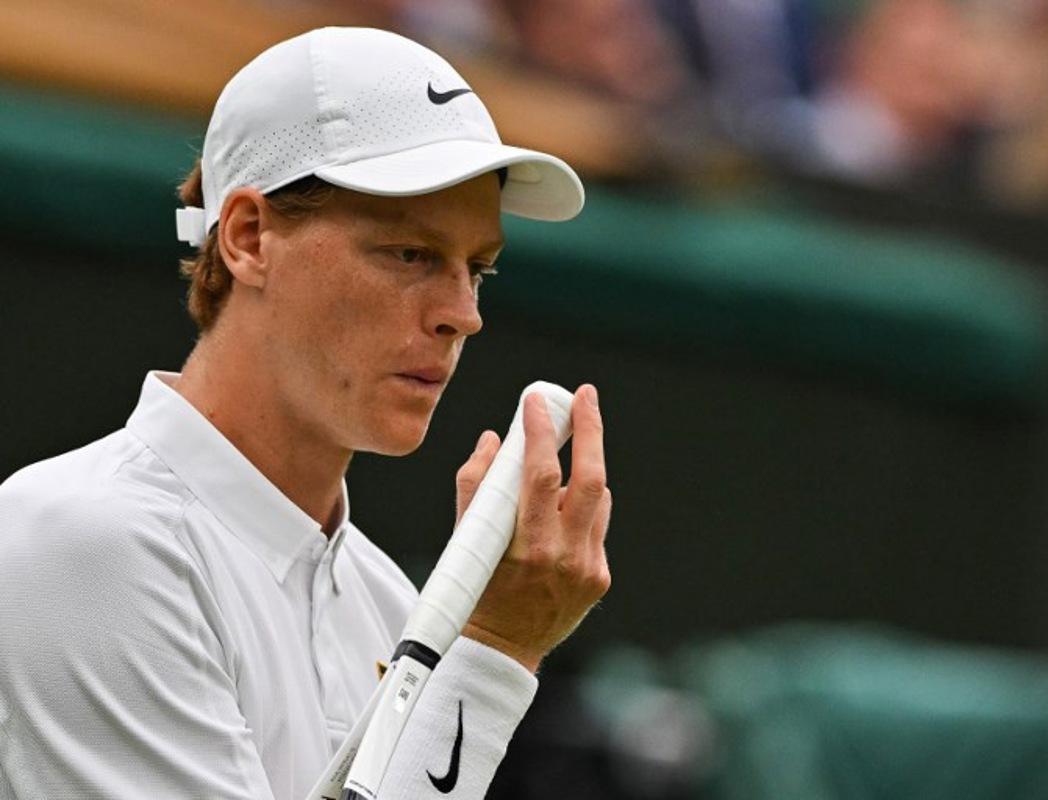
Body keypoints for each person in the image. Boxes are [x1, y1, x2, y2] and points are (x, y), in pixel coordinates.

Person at [0, 26, 611, 799]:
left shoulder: (388, 601)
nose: (464, 313)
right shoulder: (82, 542)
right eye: (411, 254)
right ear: (250, 238)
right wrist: (493, 655)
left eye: (478, 269)